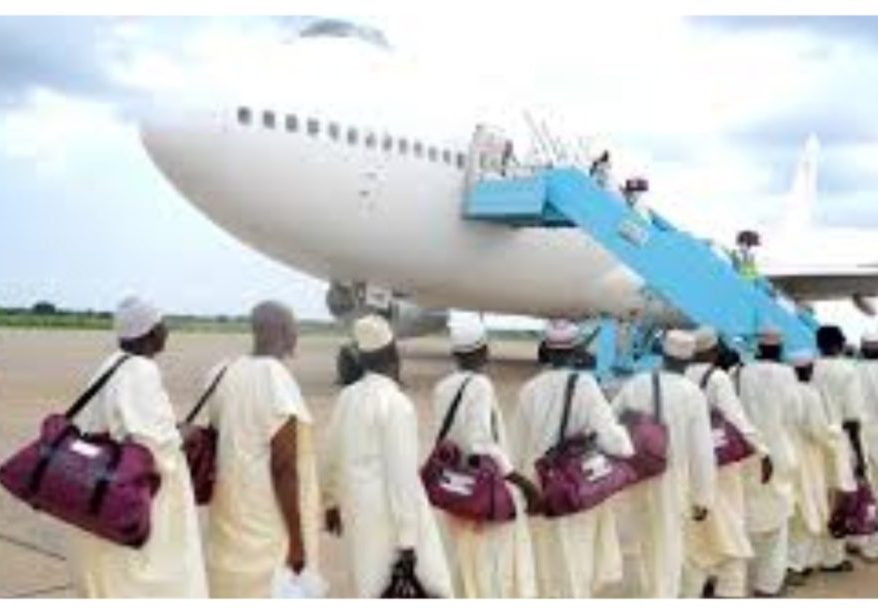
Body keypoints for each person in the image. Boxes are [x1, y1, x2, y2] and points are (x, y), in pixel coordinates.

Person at [66, 297, 207, 597]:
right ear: (152, 331)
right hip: (132, 510)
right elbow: (151, 447)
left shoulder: (112, 363)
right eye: (163, 323)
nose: (167, 330)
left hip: (99, 500)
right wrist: (186, 434)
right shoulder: (140, 371)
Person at [321, 315, 453, 597]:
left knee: (369, 588)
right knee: (425, 588)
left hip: (358, 512)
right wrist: (408, 542)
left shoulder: (347, 397)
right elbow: (401, 478)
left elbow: (329, 454)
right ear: (394, 354)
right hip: (392, 521)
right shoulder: (396, 404)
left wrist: (330, 502)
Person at [203, 301, 323, 597]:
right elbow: (284, 467)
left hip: (229, 520)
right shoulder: (275, 377)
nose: (297, 336)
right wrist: (296, 541)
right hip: (268, 528)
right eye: (294, 328)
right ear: (283, 331)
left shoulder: (222, 371)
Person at [508, 319, 633, 597]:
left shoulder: (529, 389)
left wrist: (522, 492)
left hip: (541, 487)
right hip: (578, 485)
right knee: (577, 561)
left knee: (546, 562)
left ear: (548, 352)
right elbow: (609, 436)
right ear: (577, 351)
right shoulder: (585, 385)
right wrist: (628, 448)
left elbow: (515, 448)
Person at [430, 318, 537, 598]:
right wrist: (522, 481)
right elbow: (482, 442)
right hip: (481, 488)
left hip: (454, 487)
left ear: (455, 355)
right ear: (484, 352)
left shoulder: (442, 387)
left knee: (462, 566)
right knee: (491, 568)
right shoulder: (480, 385)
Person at [612, 330, 716, 598]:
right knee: (667, 547)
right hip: (671, 481)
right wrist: (703, 497)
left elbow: (612, 423)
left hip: (634, 475)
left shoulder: (636, 383)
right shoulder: (692, 393)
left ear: (663, 354)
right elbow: (701, 450)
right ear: (689, 359)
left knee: (634, 543)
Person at [682, 327, 767, 598]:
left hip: (687, 465)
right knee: (730, 528)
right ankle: (728, 592)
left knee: (696, 532)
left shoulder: (678, 375)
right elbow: (737, 420)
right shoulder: (717, 377)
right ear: (712, 350)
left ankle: (699, 585)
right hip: (719, 465)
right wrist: (763, 452)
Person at [736, 326, 800, 597]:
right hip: (777, 453)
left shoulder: (740, 373)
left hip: (748, 452)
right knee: (777, 522)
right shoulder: (787, 375)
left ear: (759, 348)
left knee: (745, 515)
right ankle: (768, 585)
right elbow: (794, 413)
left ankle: (736, 581)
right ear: (780, 348)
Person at [786, 350, 856, 585]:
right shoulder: (809, 395)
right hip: (808, 459)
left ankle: (805, 561)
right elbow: (818, 431)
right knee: (809, 509)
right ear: (808, 369)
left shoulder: (786, 392)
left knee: (798, 509)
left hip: (789, 457)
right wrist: (836, 430)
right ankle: (795, 564)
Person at [812, 325, 868, 573]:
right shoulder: (847, 370)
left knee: (818, 495)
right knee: (841, 495)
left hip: (813, 441)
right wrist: (859, 454)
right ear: (840, 343)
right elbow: (853, 416)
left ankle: (813, 555)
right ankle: (832, 558)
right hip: (839, 440)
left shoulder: (808, 367)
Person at [852, 331, 878, 562]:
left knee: (862, 490)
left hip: (858, 439)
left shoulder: (853, 371)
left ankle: (858, 538)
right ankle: (873, 547)